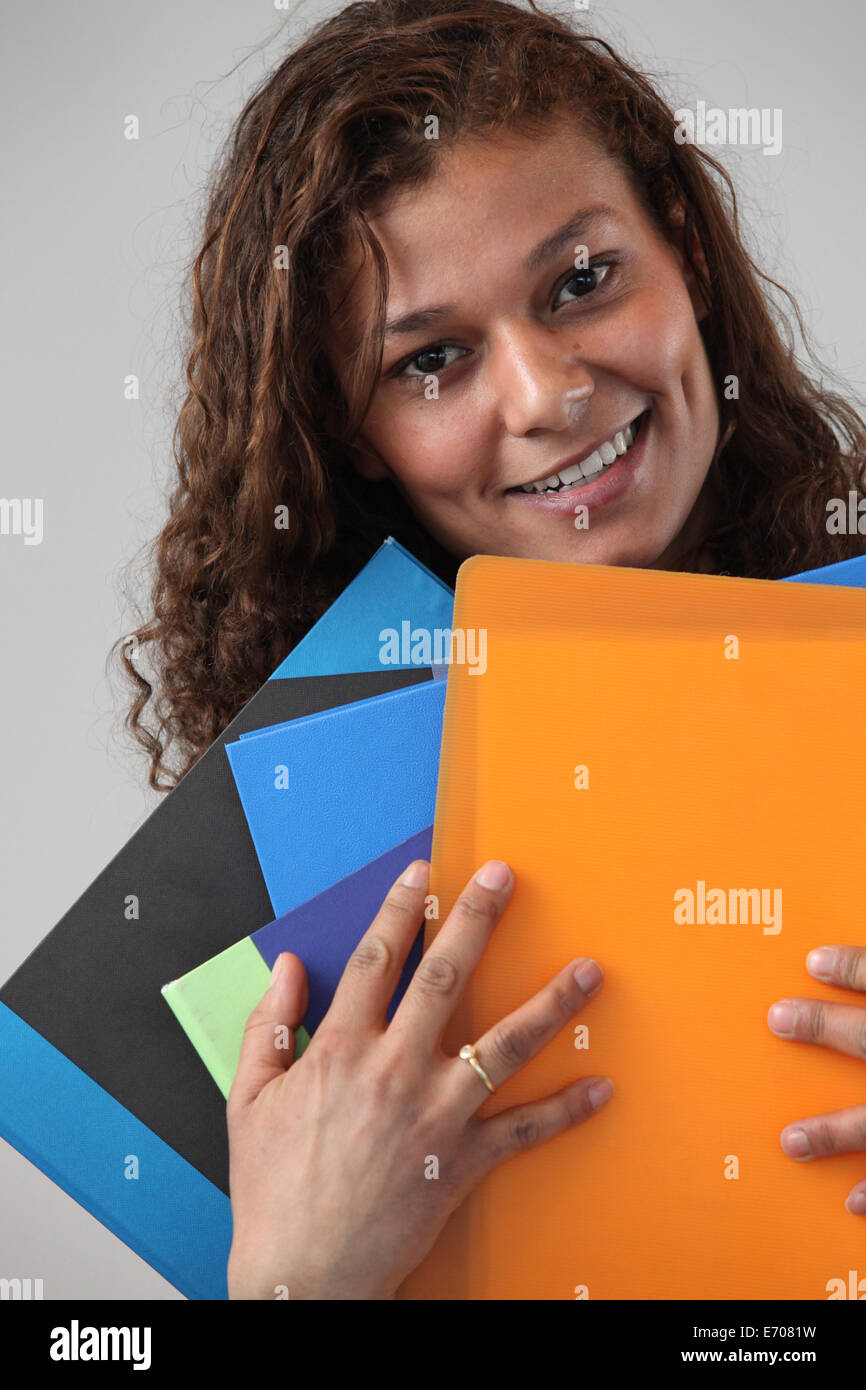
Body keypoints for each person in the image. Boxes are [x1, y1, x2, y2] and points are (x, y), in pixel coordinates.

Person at [115, 0, 866, 1297]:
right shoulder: (271, 877)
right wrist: (296, 1273)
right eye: (432, 359)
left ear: (679, 248)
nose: (545, 395)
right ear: (348, 431)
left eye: (582, 280)